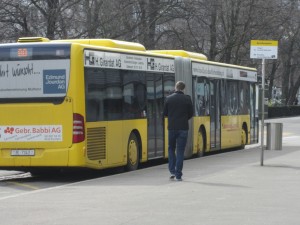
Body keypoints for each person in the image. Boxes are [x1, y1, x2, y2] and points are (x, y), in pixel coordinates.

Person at [163, 81, 193, 181]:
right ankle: (178, 175)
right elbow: (190, 114)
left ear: (175, 87)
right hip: (183, 128)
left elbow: (165, 114)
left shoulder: (168, 98)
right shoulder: (187, 99)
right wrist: (183, 119)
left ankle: (172, 171)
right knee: (180, 151)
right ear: (183, 89)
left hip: (172, 128)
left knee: (171, 148)